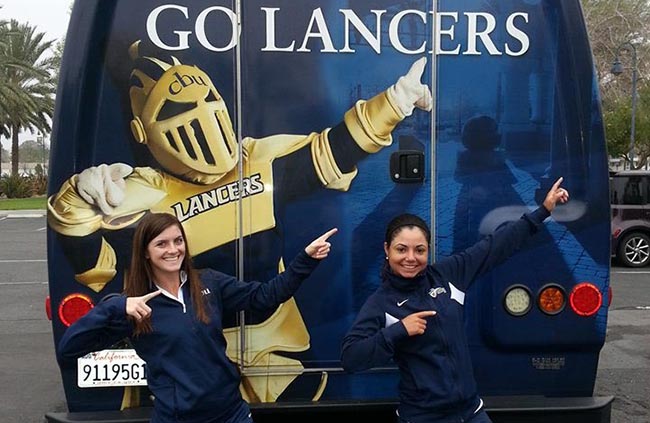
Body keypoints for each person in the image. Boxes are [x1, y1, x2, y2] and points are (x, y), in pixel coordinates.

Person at [48, 45, 431, 402]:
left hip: (276, 348)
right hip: (189, 362)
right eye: (176, 108)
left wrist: (395, 102)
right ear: (142, 132)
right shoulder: (138, 194)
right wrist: (76, 203)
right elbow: (91, 266)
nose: (199, 115)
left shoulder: (257, 160)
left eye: (207, 100)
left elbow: (334, 146)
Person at [57, 212, 337, 423]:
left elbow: (264, 296)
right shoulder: (135, 306)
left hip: (231, 413)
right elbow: (69, 349)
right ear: (145, 251)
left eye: (178, 241)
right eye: (161, 244)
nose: (173, 250)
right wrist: (116, 307)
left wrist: (305, 259)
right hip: (178, 418)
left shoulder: (208, 283)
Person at [340, 177, 570, 423]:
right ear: (387, 250)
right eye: (401, 249)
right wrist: (398, 331)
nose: (410, 257)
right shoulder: (381, 302)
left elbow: (496, 245)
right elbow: (351, 358)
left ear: (428, 249)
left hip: (471, 412)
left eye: (419, 250)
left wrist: (543, 211)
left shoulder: (448, 274)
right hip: (424, 417)